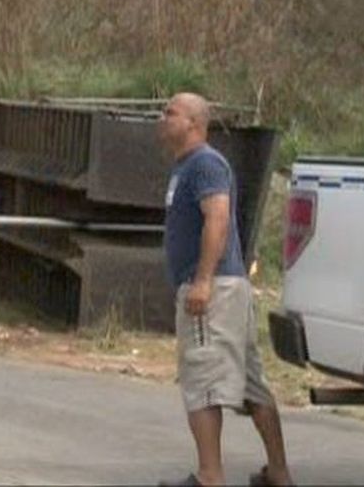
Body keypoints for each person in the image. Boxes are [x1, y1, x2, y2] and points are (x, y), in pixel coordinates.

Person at [156, 93, 293, 487]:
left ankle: (210, 477)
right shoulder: (186, 166)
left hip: (212, 290)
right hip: (226, 289)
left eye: (171, 113)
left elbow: (216, 218)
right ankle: (278, 473)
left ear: (195, 123)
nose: (163, 118)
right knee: (250, 383)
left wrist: (202, 281)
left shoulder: (205, 164)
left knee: (203, 380)